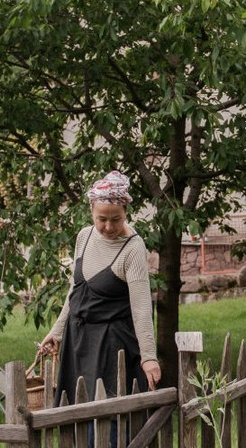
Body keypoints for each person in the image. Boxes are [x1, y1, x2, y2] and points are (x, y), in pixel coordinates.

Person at [38, 171, 160, 403]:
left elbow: (142, 308)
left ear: (125, 212)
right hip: (78, 340)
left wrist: (149, 357)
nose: (108, 226)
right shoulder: (84, 237)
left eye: (116, 219)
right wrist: (57, 332)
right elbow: (76, 291)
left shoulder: (132, 248)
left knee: (108, 416)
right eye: (101, 218)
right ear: (91, 211)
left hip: (111, 344)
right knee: (76, 411)